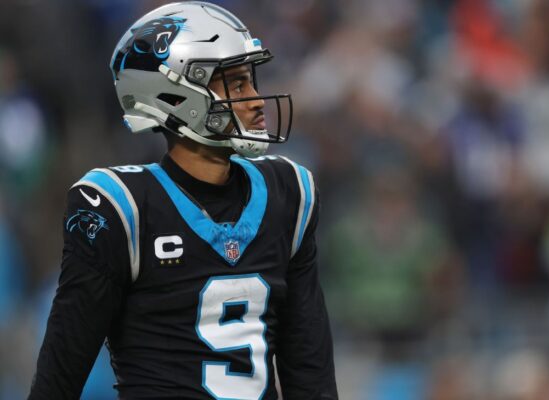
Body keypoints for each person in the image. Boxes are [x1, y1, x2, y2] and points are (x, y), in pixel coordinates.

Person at [28, 2, 338, 399]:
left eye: (251, 82)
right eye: (236, 85)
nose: (256, 100)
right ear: (176, 96)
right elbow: (60, 376)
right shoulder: (122, 208)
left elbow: (310, 375)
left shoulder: (288, 193)